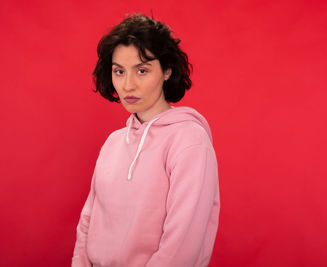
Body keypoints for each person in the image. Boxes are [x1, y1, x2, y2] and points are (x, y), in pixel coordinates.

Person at [71, 13, 220, 267]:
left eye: (142, 70)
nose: (128, 85)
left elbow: (183, 244)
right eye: (119, 71)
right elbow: (88, 223)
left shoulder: (189, 141)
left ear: (166, 71)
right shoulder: (113, 143)